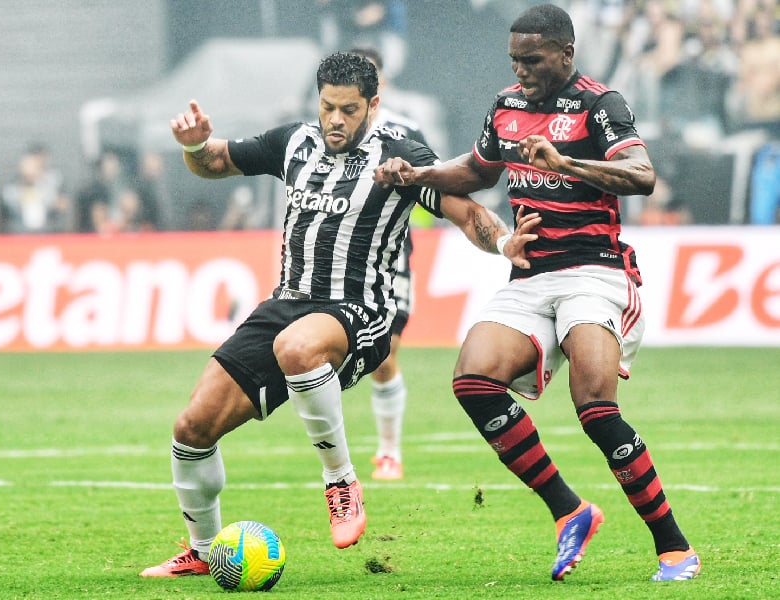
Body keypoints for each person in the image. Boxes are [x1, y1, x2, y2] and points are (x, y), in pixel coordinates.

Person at [140, 51, 533, 578]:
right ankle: (202, 548)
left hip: (359, 312)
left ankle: (341, 481)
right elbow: (214, 162)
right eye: (327, 107)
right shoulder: (294, 143)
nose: (335, 120)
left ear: (373, 105)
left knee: (298, 348)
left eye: (348, 110)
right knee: (191, 428)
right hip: (285, 304)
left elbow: (466, 211)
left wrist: (505, 242)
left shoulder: (402, 157)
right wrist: (192, 144)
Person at [373, 4, 700, 582]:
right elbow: (477, 171)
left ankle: (674, 547)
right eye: (514, 59)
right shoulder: (507, 106)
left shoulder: (602, 105)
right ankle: (569, 510)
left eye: (532, 59)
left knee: (596, 408)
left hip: (595, 274)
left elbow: (643, 176)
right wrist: (418, 175)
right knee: (472, 380)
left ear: (566, 54)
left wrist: (566, 161)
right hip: (530, 277)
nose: (520, 70)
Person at [350, 46, 429, 480]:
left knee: (386, 354)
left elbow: (436, 182)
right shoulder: (327, 131)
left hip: (392, 253)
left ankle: (388, 452)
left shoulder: (405, 130)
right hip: (338, 256)